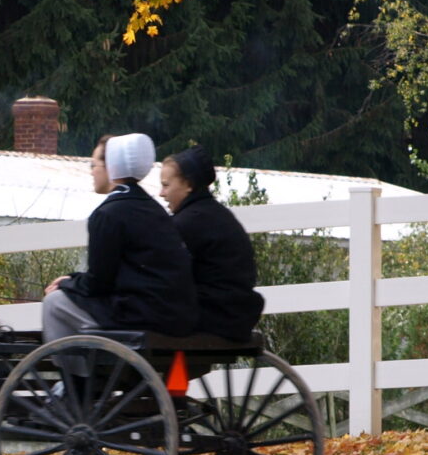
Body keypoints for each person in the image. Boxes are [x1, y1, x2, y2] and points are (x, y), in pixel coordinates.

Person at [40, 133, 198, 342]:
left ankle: (76, 375)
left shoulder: (108, 214)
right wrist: (74, 280)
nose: (91, 172)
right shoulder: (152, 208)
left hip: (140, 315)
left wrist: (67, 284)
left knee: (54, 302)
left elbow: (98, 283)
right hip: (173, 314)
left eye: (93, 164)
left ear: (110, 167)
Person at [158, 146, 263, 341]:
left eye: (166, 185)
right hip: (238, 314)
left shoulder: (186, 223)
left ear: (188, 184)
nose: (161, 193)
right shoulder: (219, 215)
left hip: (210, 316)